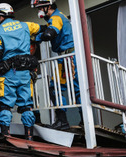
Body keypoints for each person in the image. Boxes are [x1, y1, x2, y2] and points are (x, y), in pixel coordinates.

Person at [0, 3, 43, 139]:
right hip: (25, 73)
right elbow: (41, 29)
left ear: (1, 17)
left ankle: (6, 135)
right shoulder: (26, 25)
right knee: (26, 105)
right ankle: (29, 135)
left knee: (5, 105)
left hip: (8, 74)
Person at [31, 0, 81, 130]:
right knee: (77, 89)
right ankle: (84, 119)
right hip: (71, 55)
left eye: (40, 8)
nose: (39, 11)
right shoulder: (60, 16)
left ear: (48, 6)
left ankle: (62, 121)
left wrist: (36, 38)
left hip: (67, 57)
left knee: (55, 88)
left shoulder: (56, 18)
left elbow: (49, 34)